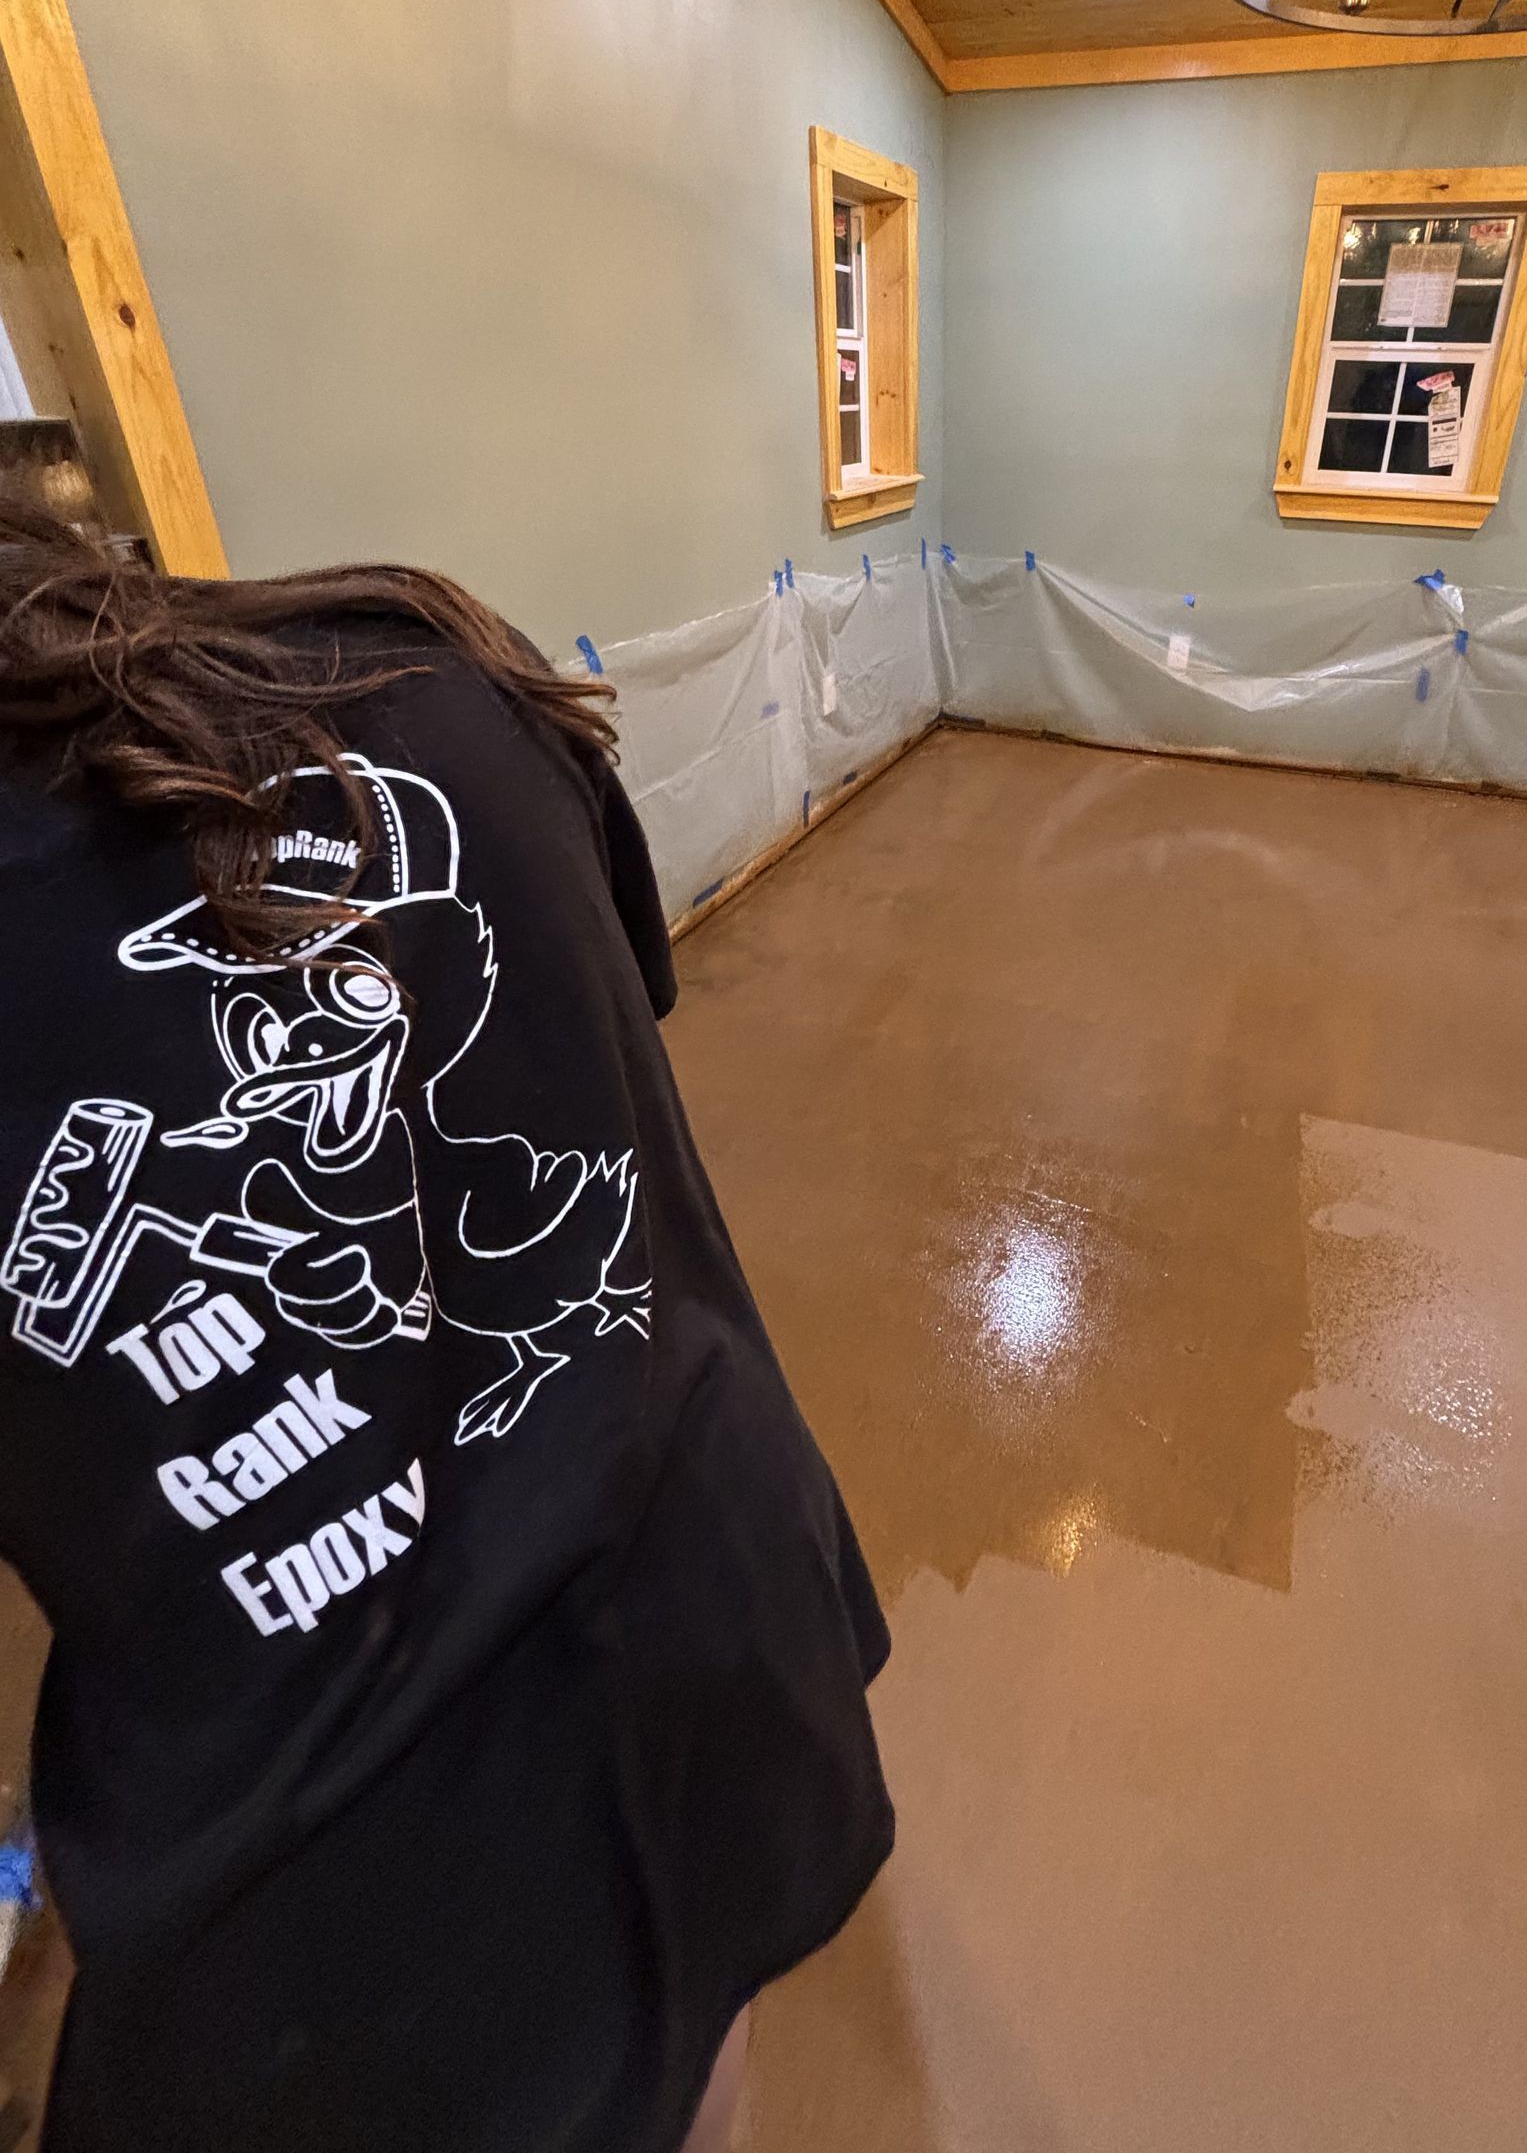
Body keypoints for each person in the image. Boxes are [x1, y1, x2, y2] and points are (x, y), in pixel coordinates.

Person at [0, 486, 894, 2152]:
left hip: (359, 1859)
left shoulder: (398, 699)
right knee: (701, 2026)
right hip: (712, 1588)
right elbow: (623, 1022)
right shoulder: (409, 670)